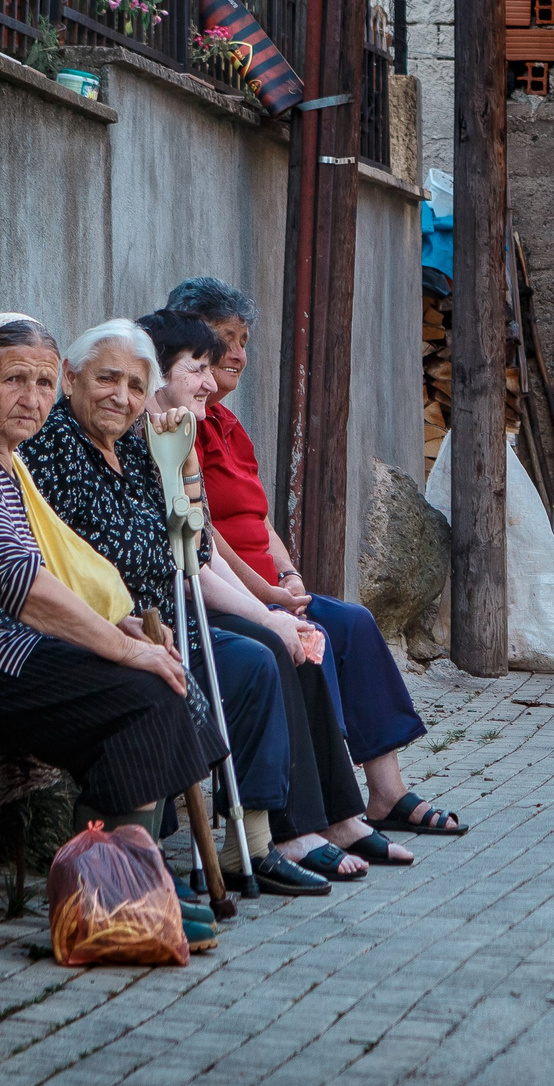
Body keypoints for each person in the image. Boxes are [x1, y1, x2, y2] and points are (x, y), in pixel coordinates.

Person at [0, 314, 225, 944]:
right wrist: (121, 649)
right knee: (142, 690)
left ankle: (119, 885)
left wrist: (126, 630)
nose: (33, 399)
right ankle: (111, 899)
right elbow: (17, 581)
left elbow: (49, 573)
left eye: (43, 382)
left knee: (159, 684)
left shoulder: (0, 460)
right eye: (14, 381)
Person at [19, 318, 354, 897]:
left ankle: (251, 842)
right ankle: (213, 852)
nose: (121, 397)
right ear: (70, 378)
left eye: (133, 384)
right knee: (252, 661)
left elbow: (193, 546)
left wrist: (184, 467)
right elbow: (101, 557)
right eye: (106, 380)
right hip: (111, 628)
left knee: (262, 656)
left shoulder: (135, 446)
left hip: (164, 621)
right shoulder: (53, 450)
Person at [163, 277, 464, 836]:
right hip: (235, 593)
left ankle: (385, 791)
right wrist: (267, 594)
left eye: (245, 339)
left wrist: (291, 574)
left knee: (351, 622)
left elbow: (260, 520)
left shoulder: (227, 424)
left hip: (268, 586)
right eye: (226, 339)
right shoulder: (179, 426)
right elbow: (202, 536)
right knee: (305, 646)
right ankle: (319, 813)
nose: (239, 355)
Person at [138, 309, 416, 872]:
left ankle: (338, 814)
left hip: (220, 595)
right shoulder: (157, 441)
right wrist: (267, 608)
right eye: (200, 365)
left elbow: (215, 537)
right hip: (170, 613)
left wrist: (282, 588)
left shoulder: (187, 436)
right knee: (272, 652)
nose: (215, 377)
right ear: (158, 374)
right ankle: (281, 832)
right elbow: (200, 548)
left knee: (320, 635)